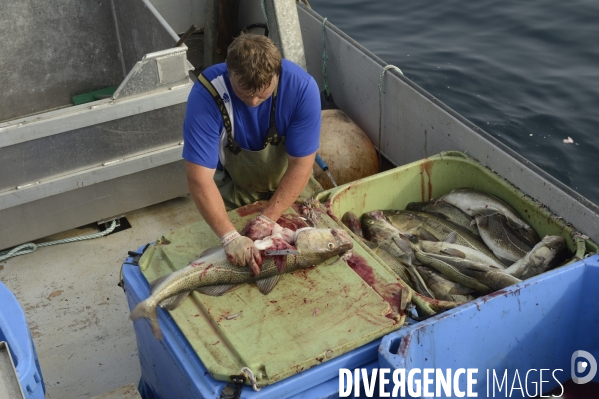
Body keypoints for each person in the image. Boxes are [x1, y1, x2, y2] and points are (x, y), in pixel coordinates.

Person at [182, 34, 323, 276]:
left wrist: (268, 218)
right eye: (244, 93)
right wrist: (229, 237)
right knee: (234, 264)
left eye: (263, 94)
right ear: (229, 73)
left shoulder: (302, 88)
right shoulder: (207, 94)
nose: (254, 101)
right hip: (235, 188)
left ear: (276, 75)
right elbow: (199, 177)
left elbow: (301, 163)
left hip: (289, 181)